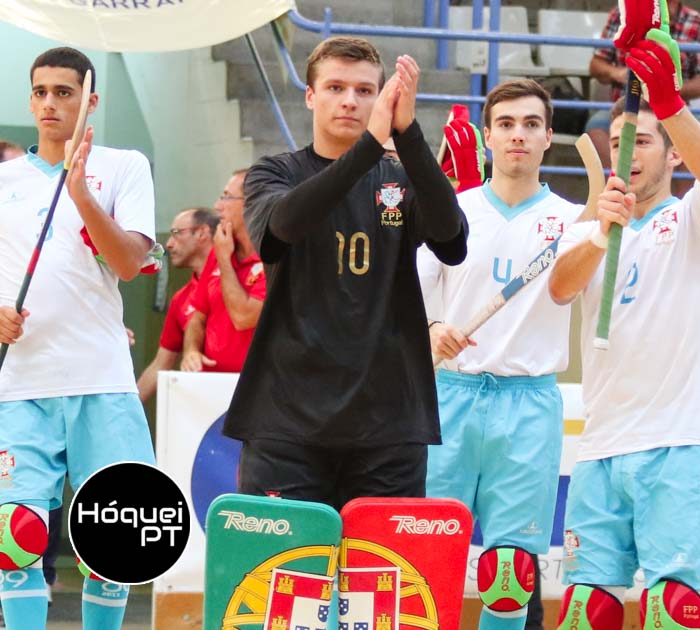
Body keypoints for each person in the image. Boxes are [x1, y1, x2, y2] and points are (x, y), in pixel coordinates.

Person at [223, 36, 467, 510]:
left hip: (389, 425)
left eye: (364, 90)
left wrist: (408, 133)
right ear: (311, 96)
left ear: (382, 98)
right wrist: (372, 147)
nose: (350, 100)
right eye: (335, 87)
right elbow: (283, 228)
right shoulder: (273, 174)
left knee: (380, 583)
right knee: (285, 578)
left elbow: (452, 242)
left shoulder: (399, 177)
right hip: (287, 422)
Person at [547, 29, 700, 630]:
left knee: (672, 612)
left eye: (645, 139)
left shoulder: (693, 221)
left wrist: (669, 101)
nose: (629, 149)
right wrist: (603, 233)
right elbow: (559, 287)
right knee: (586, 611)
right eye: (622, 139)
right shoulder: (590, 229)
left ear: (672, 152)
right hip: (602, 446)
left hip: (678, 444)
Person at [418, 78, 583, 630]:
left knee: (510, 575)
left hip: (529, 402)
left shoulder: (577, 221)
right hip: (449, 397)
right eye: (507, 124)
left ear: (548, 137)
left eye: (531, 124)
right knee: (425, 558)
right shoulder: (449, 212)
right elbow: (404, 304)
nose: (519, 135)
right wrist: (435, 326)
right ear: (487, 137)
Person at [0, 46, 156, 630]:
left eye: (64, 92)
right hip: (23, 384)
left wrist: (82, 194)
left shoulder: (125, 166)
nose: (49, 104)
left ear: (90, 100)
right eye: (40, 92)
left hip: (102, 379)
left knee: (113, 542)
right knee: (13, 537)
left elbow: (129, 263)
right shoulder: (5, 181)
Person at [586, 0, 700, 168]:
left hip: (674, 109)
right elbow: (596, 65)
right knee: (596, 129)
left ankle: (686, 195)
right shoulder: (622, 13)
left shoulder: (699, 23)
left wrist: (666, 88)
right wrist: (618, 73)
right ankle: (617, 187)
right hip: (624, 106)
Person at [180, 170, 264, 373]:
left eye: (227, 197)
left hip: (256, 388)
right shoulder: (220, 248)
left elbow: (243, 318)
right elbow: (197, 319)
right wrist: (191, 351)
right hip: (211, 385)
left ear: (250, 203)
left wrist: (224, 261)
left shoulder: (274, 256)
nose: (218, 207)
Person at [136, 207, 219, 401]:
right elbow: (160, 364)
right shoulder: (181, 299)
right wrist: (126, 413)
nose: (169, 243)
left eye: (176, 233)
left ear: (202, 233)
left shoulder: (239, 281)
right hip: (205, 410)